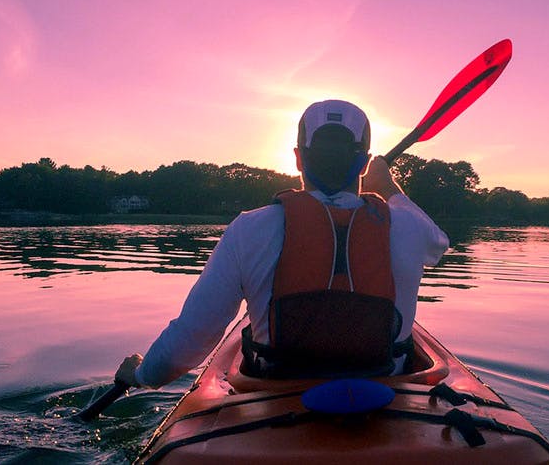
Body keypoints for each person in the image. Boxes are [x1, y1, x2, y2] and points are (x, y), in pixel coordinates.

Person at [116, 99, 449, 387]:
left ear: (298, 159)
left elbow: (190, 340)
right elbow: (439, 243)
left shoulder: (249, 229)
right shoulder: (408, 227)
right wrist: (387, 186)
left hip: (277, 398)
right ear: (363, 163)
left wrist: (142, 374)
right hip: (387, 396)